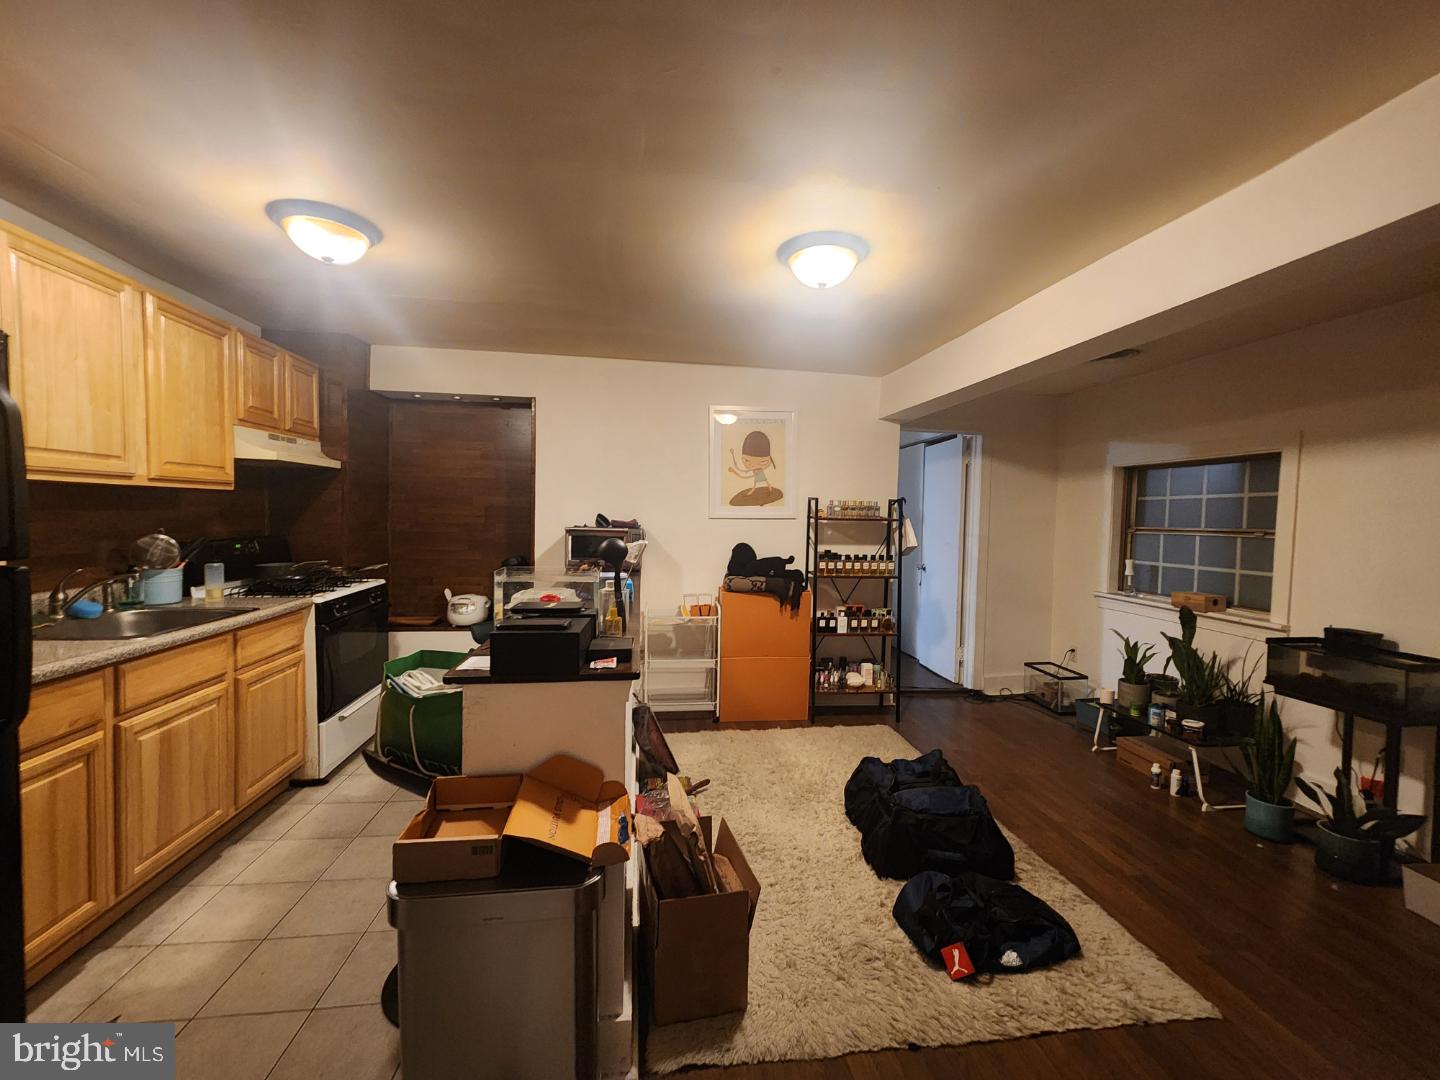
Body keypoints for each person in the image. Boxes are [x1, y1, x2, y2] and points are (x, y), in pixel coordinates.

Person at [728, 430, 782, 505]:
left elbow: (743, 474)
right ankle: (763, 490)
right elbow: (740, 469)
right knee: (759, 485)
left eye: (763, 461)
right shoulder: (755, 470)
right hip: (757, 478)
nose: (753, 465)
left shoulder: (757, 471)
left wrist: (735, 471)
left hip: (760, 477)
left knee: (765, 483)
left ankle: (767, 490)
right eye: (747, 461)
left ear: (769, 460)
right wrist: (733, 456)